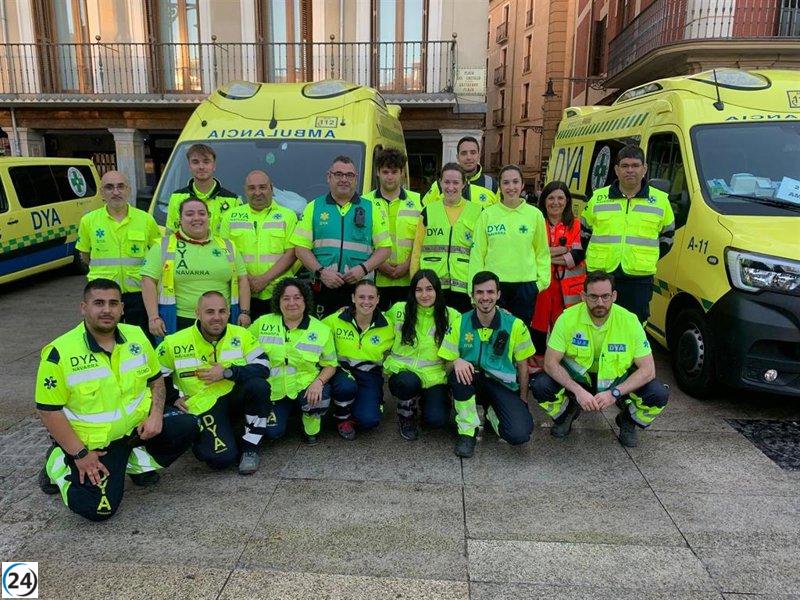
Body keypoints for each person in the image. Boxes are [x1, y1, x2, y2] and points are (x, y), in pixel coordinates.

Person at [35, 279, 197, 521]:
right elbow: (48, 411)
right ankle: (57, 461)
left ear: (122, 308)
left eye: (113, 303)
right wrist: (80, 455)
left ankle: (132, 464)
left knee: (189, 426)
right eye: (98, 303)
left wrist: (155, 416)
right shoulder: (60, 352)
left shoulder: (136, 336)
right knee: (98, 509)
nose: (106, 310)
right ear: (83, 307)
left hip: (136, 431)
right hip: (94, 446)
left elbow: (156, 380)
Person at [532, 270, 669, 447]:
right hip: (579, 380)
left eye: (605, 296)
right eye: (593, 297)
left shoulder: (629, 321)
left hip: (615, 381)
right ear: (583, 296)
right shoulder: (567, 319)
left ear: (614, 296)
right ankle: (566, 413)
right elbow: (550, 364)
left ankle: (628, 421)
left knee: (658, 394)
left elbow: (648, 370)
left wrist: (615, 393)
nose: (600, 303)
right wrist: (578, 391)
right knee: (540, 386)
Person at [157, 291, 270, 474]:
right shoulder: (173, 342)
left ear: (228, 313)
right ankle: (212, 434)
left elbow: (264, 367)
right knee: (221, 460)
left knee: (259, 386)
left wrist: (228, 372)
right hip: (204, 405)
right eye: (210, 312)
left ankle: (251, 448)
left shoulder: (241, 334)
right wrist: (172, 398)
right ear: (198, 313)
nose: (217, 317)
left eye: (222, 311)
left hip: (234, 397)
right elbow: (155, 377)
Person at [580, 145, 675, 323]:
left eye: (635, 165)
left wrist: (647, 256)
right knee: (597, 322)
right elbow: (585, 233)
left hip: (638, 278)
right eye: (624, 166)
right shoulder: (598, 198)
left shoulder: (660, 201)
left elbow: (668, 237)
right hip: (601, 275)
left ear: (644, 169)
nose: (630, 170)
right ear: (616, 170)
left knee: (635, 325)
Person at [290, 155, 391, 317]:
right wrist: (322, 272)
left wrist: (363, 269)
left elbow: (385, 249)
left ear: (356, 179)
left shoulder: (372, 209)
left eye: (349, 175)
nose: (344, 179)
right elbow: (301, 248)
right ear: (328, 177)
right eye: (338, 174)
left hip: (360, 289)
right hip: (323, 287)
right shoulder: (313, 207)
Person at [450, 271, 536, 457]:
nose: (485, 297)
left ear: (498, 294)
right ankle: (467, 432)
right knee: (458, 373)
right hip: (470, 381)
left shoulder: (515, 325)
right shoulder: (459, 323)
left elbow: (523, 366)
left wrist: (523, 399)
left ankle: (491, 413)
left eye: (490, 292)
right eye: (479, 292)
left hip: (501, 385)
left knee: (519, 434)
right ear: (472, 296)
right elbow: (447, 359)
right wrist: (456, 360)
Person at [141, 198, 250, 337]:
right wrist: (153, 317)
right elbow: (147, 281)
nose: (196, 218)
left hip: (222, 321)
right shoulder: (163, 246)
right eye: (190, 214)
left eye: (202, 213)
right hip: (180, 322)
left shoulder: (228, 245)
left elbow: (242, 280)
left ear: (209, 217)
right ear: (180, 219)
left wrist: (245, 312)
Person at [250, 278, 338, 445]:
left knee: (321, 393)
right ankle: (288, 411)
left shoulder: (321, 330)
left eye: (297, 297)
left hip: (306, 387)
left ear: (305, 300)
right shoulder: (263, 323)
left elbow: (331, 364)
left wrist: (319, 382)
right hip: (274, 389)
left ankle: (309, 416)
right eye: (286, 298)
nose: (292, 303)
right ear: (278, 301)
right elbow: (243, 346)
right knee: (273, 433)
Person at [76, 170, 161, 336]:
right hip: (103, 295)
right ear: (102, 193)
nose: (116, 192)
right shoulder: (89, 221)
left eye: (120, 186)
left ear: (128, 190)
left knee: (140, 340)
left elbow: (157, 256)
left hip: (138, 295)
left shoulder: (146, 220)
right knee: (103, 339)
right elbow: (84, 256)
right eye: (109, 187)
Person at [468, 164, 550, 336]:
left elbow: (542, 252)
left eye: (515, 182)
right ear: (500, 187)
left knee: (520, 335)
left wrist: (540, 284)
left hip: (526, 286)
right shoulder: (487, 215)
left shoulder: (535, 215)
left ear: (522, 185)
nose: (511, 187)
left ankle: (519, 364)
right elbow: (477, 254)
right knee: (494, 334)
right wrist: (474, 289)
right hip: (494, 287)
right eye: (506, 183)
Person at [384, 269, 461, 441]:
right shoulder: (399, 310)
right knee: (407, 383)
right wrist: (351, 311)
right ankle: (406, 413)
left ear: (437, 290)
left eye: (429, 289)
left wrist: (498, 311)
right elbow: (375, 321)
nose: (424, 294)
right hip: (404, 374)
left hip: (435, 377)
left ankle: (429, 400)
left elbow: (472, 326)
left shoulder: (452, 315)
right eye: (419, 290)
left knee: (436, 421)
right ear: (412, 292)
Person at [219, 170, 297, 320]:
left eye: (262, 187)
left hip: (278, 294)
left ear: (271, 188)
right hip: (240, 294)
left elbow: (291, 253)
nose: (257, 192)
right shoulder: (230, 216)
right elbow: (224, 253)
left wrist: (264, 279)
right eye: (252, 188)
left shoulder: (288, 216)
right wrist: (245, 279)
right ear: (245, 190)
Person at [323, 280, 394, 440]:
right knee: (346, 387)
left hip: (369, 375)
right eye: (361, 297)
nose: (366, 302)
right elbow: (315, 332)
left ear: (378, 299)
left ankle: (364, 402)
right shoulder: (335, 319)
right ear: (353, 298)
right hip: (342, 374)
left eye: (371, 297)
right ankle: (342, 417)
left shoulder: (388, 325)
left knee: (369, 420)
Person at [411, 163, 483, 313]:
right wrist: (415, 282)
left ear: (464, 184)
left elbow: (483, 252)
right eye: (447, 182)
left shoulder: (478, 212)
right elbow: (417, 251)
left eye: (456, 182)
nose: (451, 187)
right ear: (440, 183)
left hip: (465, 288)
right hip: (433, 287)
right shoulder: (428, 211)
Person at [530, 181, 587, 369]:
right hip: (542, 287)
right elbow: (529, 253)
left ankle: (562, 369)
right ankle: (537, 368)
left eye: (560, 198)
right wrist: (563, 249)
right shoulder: (536, 222)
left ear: (567, 201)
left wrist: (544, 254)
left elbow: (578, 256)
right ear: (544, 200)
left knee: (564, 330)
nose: (556, 202)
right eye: (551, 198)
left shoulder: (577, 225)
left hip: (569, 291)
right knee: (537, 327)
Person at [362, 147, 422, 310]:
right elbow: (361, 239)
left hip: (409, 279)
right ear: (377, 173)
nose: (390, 177)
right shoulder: (364, 203)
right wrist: (380, 264)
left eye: (394, 172)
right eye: (385, 171)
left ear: (402, 173)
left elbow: (421, 240)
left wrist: (407, 265)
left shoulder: (419, 201)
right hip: (373, 279)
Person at [165, 143, 240, 237]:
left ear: (214, 166)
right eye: (195, 162)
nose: (201, 167)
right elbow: (171, 236)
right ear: (189, 166)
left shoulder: (233, 200)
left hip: (221, 252)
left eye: (206, 161)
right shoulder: (176, 197)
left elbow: (236, 239)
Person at [422, 136, 498, 206]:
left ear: (479, 156)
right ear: (457, 157)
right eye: (464, 153)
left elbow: (501, 216)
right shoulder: (440, 185)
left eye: (473, 153)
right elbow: (424, 212)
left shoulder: (491, 185)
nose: (469, 157)